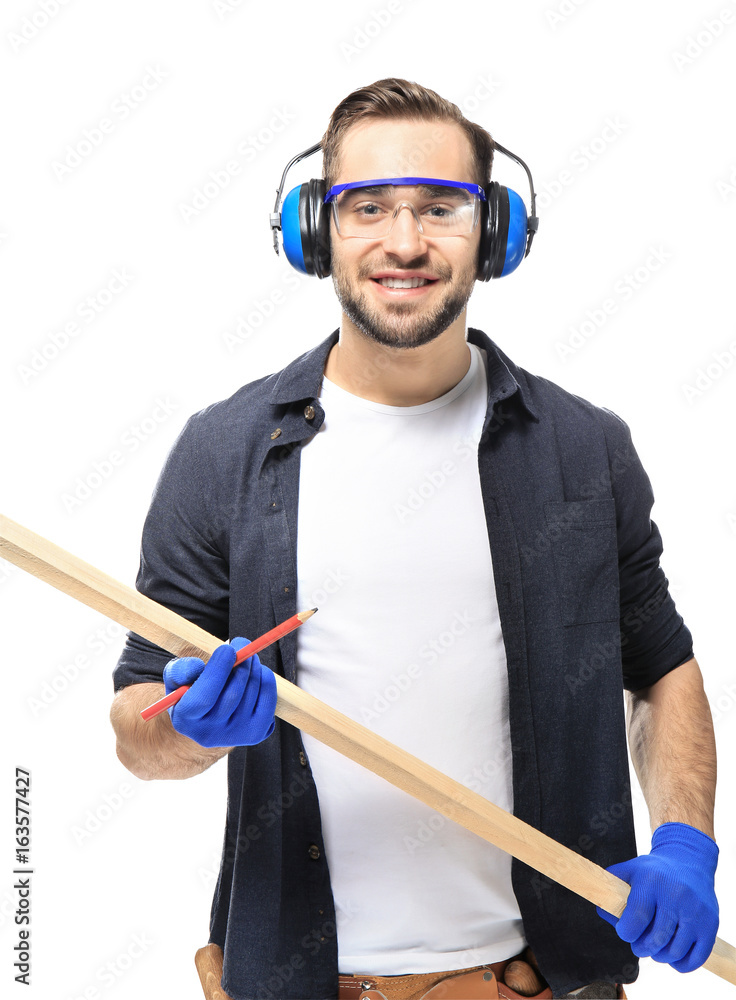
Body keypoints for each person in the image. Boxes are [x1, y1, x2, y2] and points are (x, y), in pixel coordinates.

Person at [110, 78, 719, 1000]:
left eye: (441, 207)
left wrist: (684, 844)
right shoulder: (224, 451)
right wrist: (189, 730)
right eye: (367, 208)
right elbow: (135, 725)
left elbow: (662, 668)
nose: (405, 242)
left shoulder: (583, 449)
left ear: (498, 233)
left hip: (541, 985)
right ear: (316, 231)